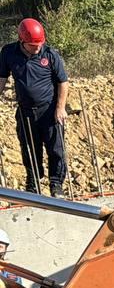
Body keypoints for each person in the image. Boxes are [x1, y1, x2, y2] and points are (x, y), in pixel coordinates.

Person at [0, 19, 69, 197]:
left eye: (39, 44)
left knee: (56, 149)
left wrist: (60, 108)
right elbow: (1, 79)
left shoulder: (50, 54)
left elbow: (63, 82)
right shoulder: (9, 53)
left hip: (49, 110)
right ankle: (33, 184)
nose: (37, 47)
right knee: (30, 148)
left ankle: (56, 184)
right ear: (22, 41)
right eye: (32, 45)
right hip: (26, 111)